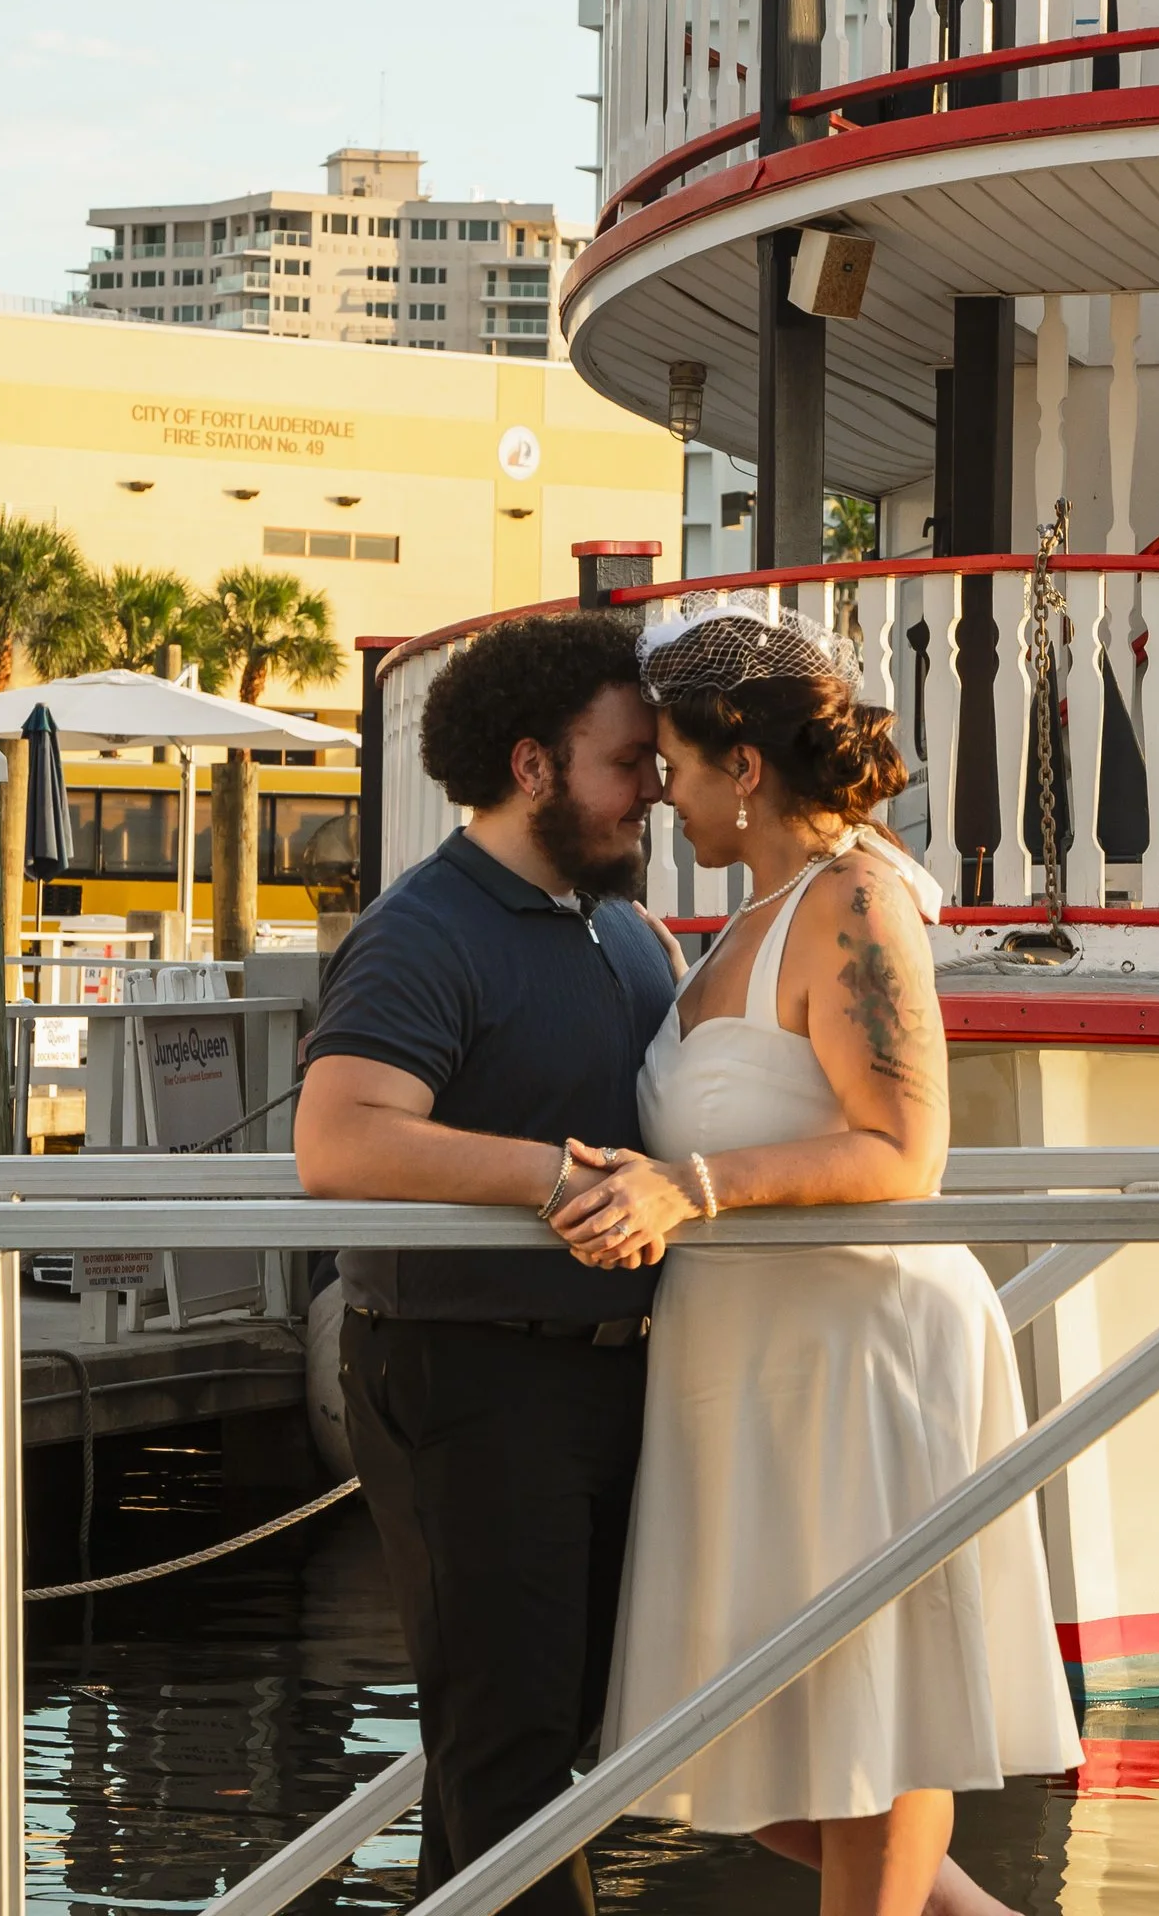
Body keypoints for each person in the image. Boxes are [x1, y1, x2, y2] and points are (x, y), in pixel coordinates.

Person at [552, 603, 1084, 1916]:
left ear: (743, 767)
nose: (659, 791)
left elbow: (903, 1148)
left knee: (880, 1705)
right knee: (717, 1734)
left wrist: (693, 1187)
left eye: (672, 762)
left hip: (862, 1354)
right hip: (751, 1373)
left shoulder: (851, 898)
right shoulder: (740, 923)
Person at [291, 612, 676, 1916]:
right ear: (533, 767)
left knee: (527, 1748)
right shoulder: (425, 930)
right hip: (468, 1375)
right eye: (629, 764)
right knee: (509, 1758)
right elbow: (339, 1139)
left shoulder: (626, 934)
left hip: (604, 1377)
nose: (655, 793)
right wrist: (552, 1176)